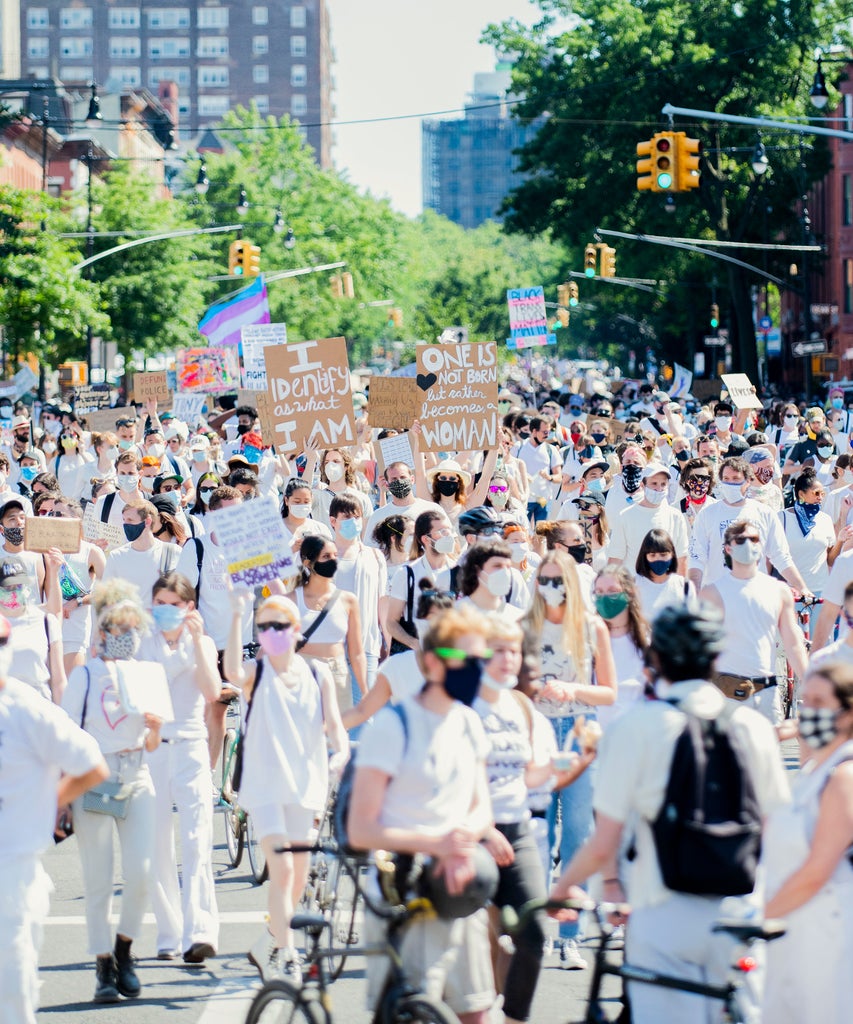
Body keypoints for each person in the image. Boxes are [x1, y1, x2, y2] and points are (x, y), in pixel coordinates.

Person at [549, 603, 790, 1024]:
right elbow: (777, 827)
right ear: (716, 659)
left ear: (653, 658)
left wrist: (562, 888)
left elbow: (604, 840)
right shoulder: (752, 729)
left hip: (663, 910)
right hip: (741, 906)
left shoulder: (636, 727)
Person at [348, 606, 496, 1024]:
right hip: (405, 893)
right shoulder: (393, 727)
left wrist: (462, 842)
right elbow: (361, 829)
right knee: (413, 1011)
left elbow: (481, 805)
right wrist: (437, 845)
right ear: (431, 662)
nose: (473, 670)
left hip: (458, 888)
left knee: (476, 1010)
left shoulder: (468, 723)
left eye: (479, 661)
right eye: (463, 660)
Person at [226, 593, 348, 981]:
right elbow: (230, 670)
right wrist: (235, 615)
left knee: (296, 876)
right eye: (264, 627)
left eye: (280, 625)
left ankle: (270, 940)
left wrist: (340, 753)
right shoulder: (255, 672)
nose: (272, 632)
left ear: (296, 629)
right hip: (264, 788)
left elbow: (335, 727)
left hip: (306, 785)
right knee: (280, 870)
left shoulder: (317, 674)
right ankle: (287, 951)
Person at [0, 611, 108, 1024]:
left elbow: (92, 765)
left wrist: (48, 805)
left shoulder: (28, 709)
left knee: (13, 989)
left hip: (15, 869)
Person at [61, 581, 163, 1003]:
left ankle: (125, 948)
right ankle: (104, 964)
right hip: (95, 776)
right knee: (98, 878)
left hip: (136, 774)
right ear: (101, 632)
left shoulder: (148, 673)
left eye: (130, 628)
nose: (123, 636)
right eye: (115, 629)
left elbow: (154, 741)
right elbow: (67, 735)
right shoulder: (84, 675)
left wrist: (154, 729)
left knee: (141, 874)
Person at [522, 551, 616, 969]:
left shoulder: (592, 627)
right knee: (537, 835)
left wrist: (570, 690)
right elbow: (513, 685)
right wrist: (535, 689)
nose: (552, 586)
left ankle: (569, 935)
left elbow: (608, 691)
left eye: (559, 579)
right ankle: (536, 932)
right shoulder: (526, 626)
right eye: (545, 578)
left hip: (580, 732)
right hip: (537, 732)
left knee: (578, 836)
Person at [761, 661, 853, 1023]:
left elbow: (817, 869)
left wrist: (757, 921)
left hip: (825, 935)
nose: (808, 712)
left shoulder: (844, 777)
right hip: (791, 927)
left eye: (819, 702)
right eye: (805, 701)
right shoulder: (815, 769)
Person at [139, 572, 221, 964]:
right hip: (152, 747)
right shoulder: (142, 642)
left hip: (190, 743)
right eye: (160, 604)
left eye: (175, 604)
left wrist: (200, 643)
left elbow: (211, 692)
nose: (167, 611)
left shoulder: (201, 642)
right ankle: (169, 933)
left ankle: (200, 931)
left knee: (196, 837)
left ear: (189, 606)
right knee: (156, 842)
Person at [701, 521, 807, 725]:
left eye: (754, 539)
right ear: (728, 548)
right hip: (724, 690)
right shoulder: (711, 593)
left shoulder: (779, 590)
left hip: (766, 690)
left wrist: (808, 681)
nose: (748, 544)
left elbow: (793, 643)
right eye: (741, 540)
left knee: (767, 755)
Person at [688, 456, 810, 596]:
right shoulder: (707, 514)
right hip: (718, 596)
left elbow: (781, 556)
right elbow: (696, 558)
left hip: (755, 595)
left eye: (735, 479)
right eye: (726, 479)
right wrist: (694, 593)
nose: (730, 483)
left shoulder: (765, 513)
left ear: (748, 481)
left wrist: (802, 588)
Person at [288, 534, 367, 713]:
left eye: (334, 556)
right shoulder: (291, 600)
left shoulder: (348, 600)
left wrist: (364, 690)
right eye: (326, 556)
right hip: (301, 673)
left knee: (336, 735)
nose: (333, 561)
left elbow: (357, 652)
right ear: (308, 563)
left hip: (337, 673)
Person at [386, 509, 456, 653]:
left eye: (448, 531)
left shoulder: (459, 572)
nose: (447, 536)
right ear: (426, 539)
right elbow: (391, 622)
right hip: (415, 655)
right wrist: (414, 643)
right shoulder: (407, 574)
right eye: (441, 531)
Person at [606, 463, 689, 575]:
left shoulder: (676, 517)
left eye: (663, 484)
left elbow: (681, 558)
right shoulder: (626, 516)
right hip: (634, 586)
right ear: (643, 485)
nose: (659, 488)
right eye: (654, 483)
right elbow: (615, 559)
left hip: (666, 586)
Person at [592, 566, 649, 725]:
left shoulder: (647, 640)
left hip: (636, 730)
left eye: (612, 591)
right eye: (599, 592)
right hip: (597, 732)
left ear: (629, 593)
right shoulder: (588, 638)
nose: (605, 597)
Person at [101, 498, 181, 602]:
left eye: (130, 520)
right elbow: (107, 597)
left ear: (147, 521)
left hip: (162, 616)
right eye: (124, 520)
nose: (125, 525)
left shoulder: (172, 552)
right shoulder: (116, 556)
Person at [364, 461, 440, 544]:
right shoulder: (377, 517)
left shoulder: (432, 509)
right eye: (394, 479)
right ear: (387, 485)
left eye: (403, 477)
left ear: (412, 480)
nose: (399, 481)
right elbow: (371, 548)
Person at [634, 528, 696, 621]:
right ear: (645, 556)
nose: (658, 559)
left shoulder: (684, 586)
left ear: (672, 555)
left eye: (663, 555)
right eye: (652, 555)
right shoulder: (633, 585)